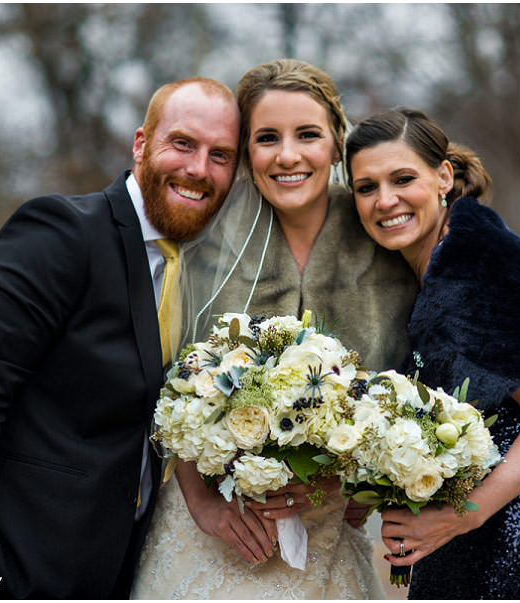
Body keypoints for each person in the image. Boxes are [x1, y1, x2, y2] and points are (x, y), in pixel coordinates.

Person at [0, 77, 240, 599]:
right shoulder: (62, 231)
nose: (199, 169)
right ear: (141, 144)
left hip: (117, 567)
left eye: (220, 155)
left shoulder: (203, 271)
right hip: (9, 562)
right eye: (182, 143)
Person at [131, 59, 417, 599]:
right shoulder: (205, 243)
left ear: (337, 142)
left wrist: (367, 484)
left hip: (331, 539)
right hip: (217, 533)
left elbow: (408, 390)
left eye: (307, 135)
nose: (288, 156)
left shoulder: (385, 233)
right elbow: (172, 386)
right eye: (267, 138)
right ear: (246, 153)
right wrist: (203, 503)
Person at [345, 107, 520, 598]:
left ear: (443, 176)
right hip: (453, 542)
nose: (385, 200)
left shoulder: (481, 263)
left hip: (516, 548)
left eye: (402, 178)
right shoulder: (415, 271)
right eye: (366, 187)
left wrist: (459, 517)